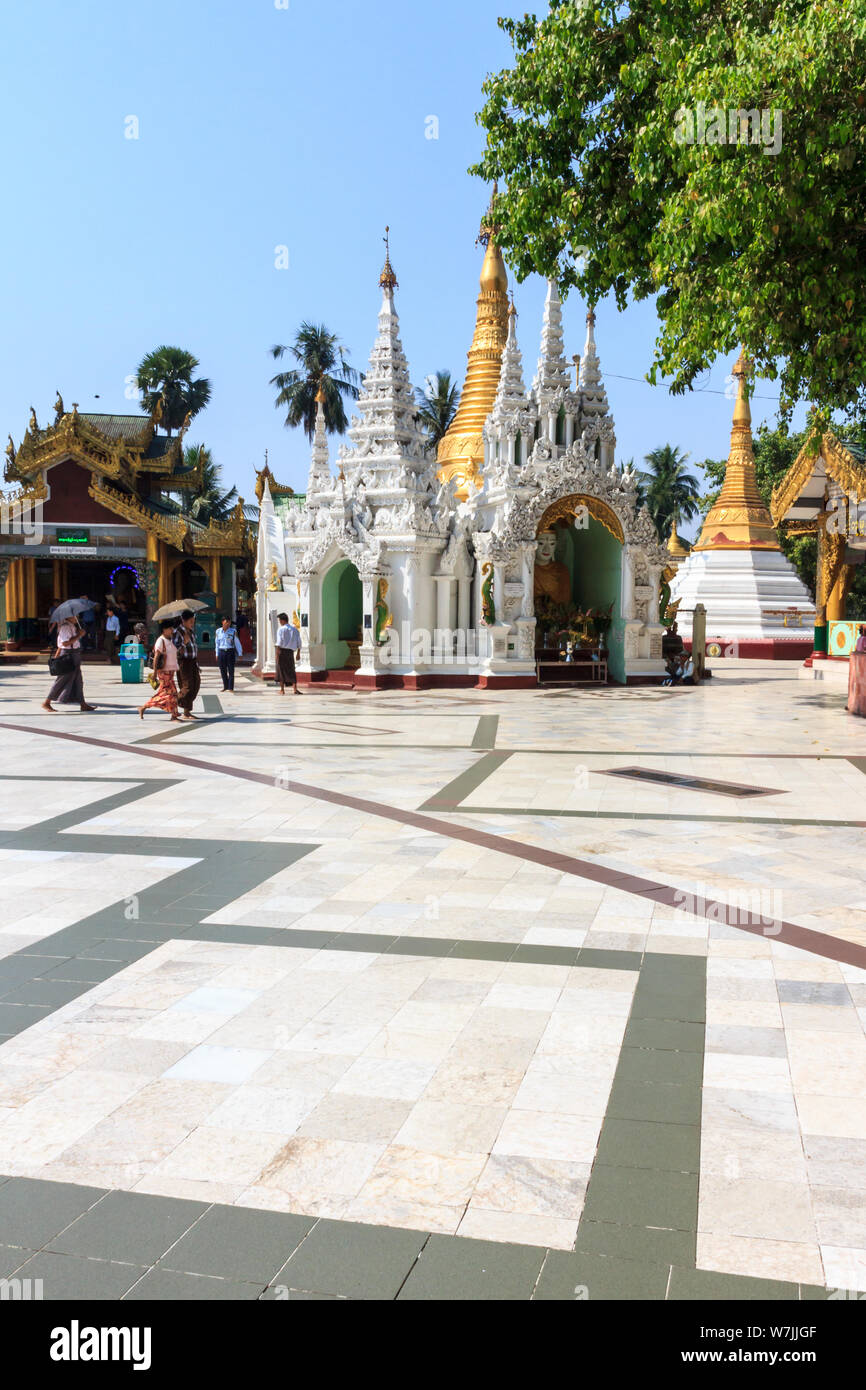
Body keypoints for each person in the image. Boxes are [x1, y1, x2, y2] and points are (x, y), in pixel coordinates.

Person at [42, 616, 96, 712]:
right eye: (74, 616)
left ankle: (82, 703)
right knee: (62, 680)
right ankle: (47, 702)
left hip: (74, 654)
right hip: (68, 655)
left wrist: (79, 633)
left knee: (78, 680)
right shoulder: (65, 627)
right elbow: (65, 643)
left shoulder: (72, 626)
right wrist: (79, 635)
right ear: (68, 617)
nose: (77, 617)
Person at [139, 618, 180, 721]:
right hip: (163, 673)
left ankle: (173, 714)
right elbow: (156, 657)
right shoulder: (160, 641)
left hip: (170, 672)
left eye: (172, 628)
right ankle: (145, 707)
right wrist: (154, 672)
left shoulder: (170, 640)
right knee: (170, 694)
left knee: (171, 694)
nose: (172, 630)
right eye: (170, 628)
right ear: (164, 630)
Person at [173, 609, 201, 720]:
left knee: (196, 685)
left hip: (193, 661)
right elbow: (175, 650)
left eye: (193, 621)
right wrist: (184, 643)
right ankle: (172, 700)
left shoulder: (191, 631)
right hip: (184, 662)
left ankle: (187, 712)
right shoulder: (178, 632)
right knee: (187, 687)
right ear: (184, 621)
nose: (192, 623)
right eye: (190, 621)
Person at [275, 612, 301, 694]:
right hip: (290, 652)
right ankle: (295, 689)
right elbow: (299, 642)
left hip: (282, 651)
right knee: (291, 670)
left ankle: (282, 690)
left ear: (282, 621)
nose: (279, 622)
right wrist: (298, 653)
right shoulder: (295, 629)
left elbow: (279, 642)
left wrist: (277, 653)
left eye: (280, 620)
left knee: (281, 670)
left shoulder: (281, 629)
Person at [214, 616, 243, 692]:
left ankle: (230, 687)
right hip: (221, 651)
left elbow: (237, 642)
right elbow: (217, 643)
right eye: (227, 622)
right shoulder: (218, 631)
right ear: (222, 622)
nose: (228, 624)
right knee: (222, 670)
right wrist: (217, 653)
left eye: (229, 622)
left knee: (231, 670)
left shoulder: (233, 631)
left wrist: (240, 653)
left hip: (230, 651)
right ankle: (225, 686)